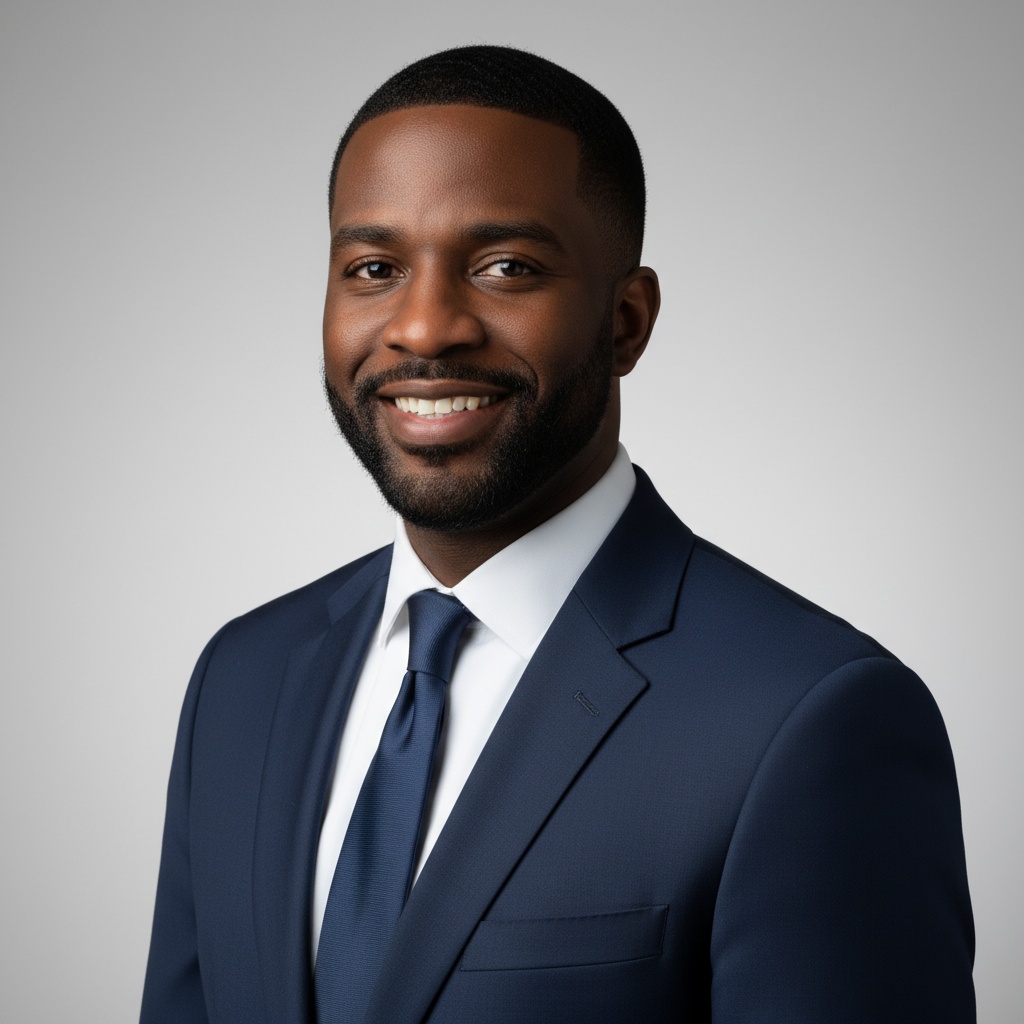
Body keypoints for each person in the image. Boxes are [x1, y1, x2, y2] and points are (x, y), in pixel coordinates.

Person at [140, 45, 975, 1024]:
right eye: (373, 267)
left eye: (505, 266)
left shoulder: (812, 719)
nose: (423, 327)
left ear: (626, 321)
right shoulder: (243, 679)